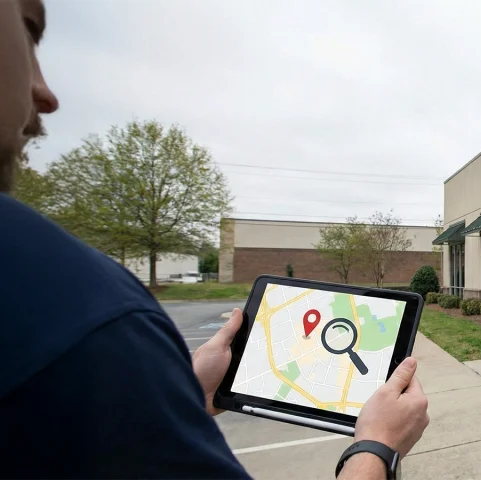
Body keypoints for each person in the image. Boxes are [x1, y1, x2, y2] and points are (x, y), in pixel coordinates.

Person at [0, 1, 429, 478]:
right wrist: (378, 446)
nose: (45, 92)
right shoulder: (85, 316)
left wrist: (184, 392)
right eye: (29, 33)